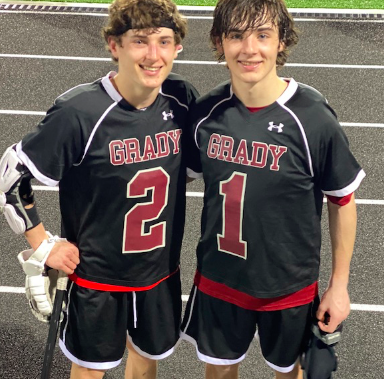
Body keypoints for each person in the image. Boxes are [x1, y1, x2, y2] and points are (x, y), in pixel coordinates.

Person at [0, 0, 198, 378]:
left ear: (177, 47)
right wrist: (43, 246)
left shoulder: (181, 99)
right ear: (114, 45)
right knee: (91, 370)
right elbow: (11, 174)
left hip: (159, 271)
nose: (154, 55)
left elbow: (184, 170)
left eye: (164, 41)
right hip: (98, 278)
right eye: (140, 41)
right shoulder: (80, 111)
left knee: (145, 360)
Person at [181, 0, 365, 378]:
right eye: (236, 36)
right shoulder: (205, 114)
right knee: (217, 372)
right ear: (219, 42)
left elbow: (342, 199)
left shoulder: (312, 117)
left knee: (289, 374)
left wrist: (339, 286)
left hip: (288, 287)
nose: (250, 49)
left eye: (263, 35)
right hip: (219, 280)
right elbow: (172, 183)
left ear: (281, 41)